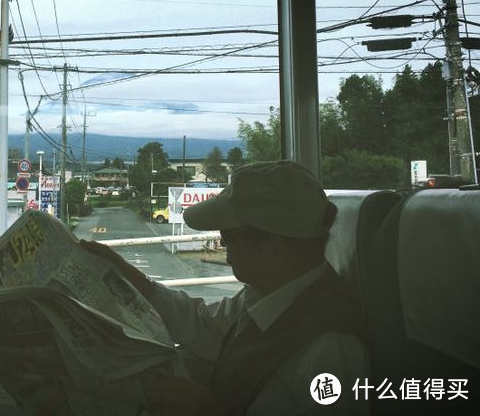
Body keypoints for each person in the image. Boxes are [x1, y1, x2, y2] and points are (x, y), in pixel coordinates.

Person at [81, 160, 370, 415]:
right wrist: (128, 276)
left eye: (228, 235)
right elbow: (202, 324)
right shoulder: (268, 298)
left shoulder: (330, 348)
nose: (220, 244)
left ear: (274, 247)